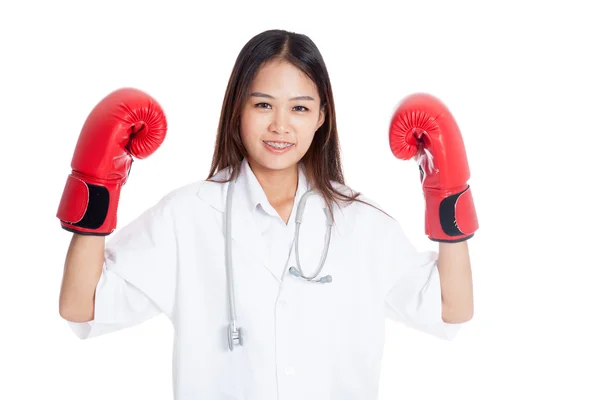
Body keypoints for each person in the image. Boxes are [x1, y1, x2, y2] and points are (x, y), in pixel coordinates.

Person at [57, 29, 476, 400]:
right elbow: (82, 306)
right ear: (237, 109)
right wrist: (97, 188)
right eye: (262, 105)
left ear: (321, 117)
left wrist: (448, 196)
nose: (280, 126)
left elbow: (449, 309)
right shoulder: (186, 216)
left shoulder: (362, 224)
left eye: (299, 108)